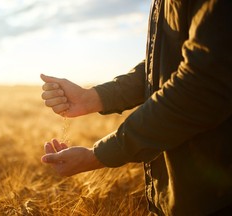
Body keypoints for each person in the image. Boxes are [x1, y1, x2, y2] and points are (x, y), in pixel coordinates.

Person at [40, 0, 232, 215]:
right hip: (179, 195)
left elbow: (203, 86)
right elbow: (164, 64)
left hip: (216, 197)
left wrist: (98, 155)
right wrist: (92, 97)